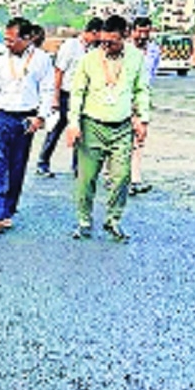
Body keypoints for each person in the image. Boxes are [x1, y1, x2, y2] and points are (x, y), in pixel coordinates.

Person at [67, 14, 150, 242]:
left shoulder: (136, 58)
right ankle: (84, 221)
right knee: (87, 178)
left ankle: (113, 220)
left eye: (111, 42)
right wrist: (73, 124)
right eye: (102, 41)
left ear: (124, 36)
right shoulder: (89, 59)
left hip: (122, 127)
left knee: (122, 176)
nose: (105, 46)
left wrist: (143, 119)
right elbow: (77, 93)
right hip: (92, 125)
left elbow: (141, 90)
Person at [0, 18, 54, 235]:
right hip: (2, 117)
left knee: (17, 167)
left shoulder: (42, 60)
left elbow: (48, 90)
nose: (7, 44)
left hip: (26, 119)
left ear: (27, 38)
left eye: (12, 40)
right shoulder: (2, 60)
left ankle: (8, 212)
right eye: (5, 39)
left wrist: (40, 117)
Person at [35, 17, 102, 177]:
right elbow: (58, 71)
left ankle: (77, 166)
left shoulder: (93, 50)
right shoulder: (71, 46)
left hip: (83, 96)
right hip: (66, 94)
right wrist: (55, 98)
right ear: (93, 32)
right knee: (56, 129)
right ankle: (42, 162)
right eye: (99, 35)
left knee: (81, 130)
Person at [129, 16, 161, 196]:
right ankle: (114, 176)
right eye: (139, 31)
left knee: (139, 139)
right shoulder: (124, 49)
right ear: (132, 31)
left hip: (143, 99)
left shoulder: (154, 51)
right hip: (123, 99)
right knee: (120, 139)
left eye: (146, 32)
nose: (142, 35)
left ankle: (135, 179)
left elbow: (152, 74)